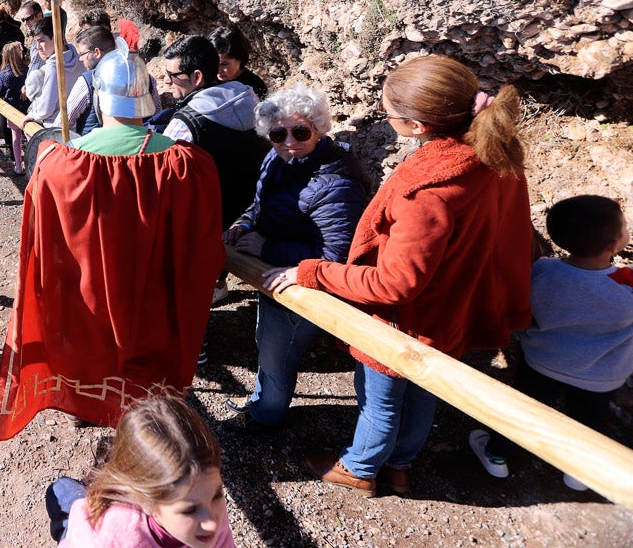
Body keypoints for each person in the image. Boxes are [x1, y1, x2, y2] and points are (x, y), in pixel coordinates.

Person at [264, 55, 533, 497]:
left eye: (388, 113)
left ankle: (360, 467)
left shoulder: (427, 192)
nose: (386, 119)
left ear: (417, 125)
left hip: (407, 317)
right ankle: (401, 465)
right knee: (425, 390)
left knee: (381, 397)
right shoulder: (494, 153)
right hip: (458, 304)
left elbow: (396, 283)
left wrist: (311, 271)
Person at [0, 44, 224, 438]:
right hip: (151, 289)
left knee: (88, 347)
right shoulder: (187, 165)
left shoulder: (57, 162)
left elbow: (41, 243)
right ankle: (145, 423)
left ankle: (85, 406)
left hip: (87, 289)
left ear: (98, 95)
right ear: (148, 99)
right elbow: (202, 247)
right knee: (146, 350)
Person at [222, 84, 370, 432]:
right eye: (277, 133)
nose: (289, 140)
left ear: (319, 127)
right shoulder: (280, 158)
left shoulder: (338, 183)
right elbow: (262, 205)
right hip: (275, 273)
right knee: (267, 343)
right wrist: (244, 224)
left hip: (302, 284)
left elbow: (337, 254)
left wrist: (266, 248)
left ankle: (265, 417)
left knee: (277, 353)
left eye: (300, 130)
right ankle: (264, 404)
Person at [469, 194, 632, 492]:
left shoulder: (544, 270)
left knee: (524, 409)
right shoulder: (627, 284)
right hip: (601, 377)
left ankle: (498, 454)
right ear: (612, 245)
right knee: (588, 421)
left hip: (542, 362)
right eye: (624, 226)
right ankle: (579, 472)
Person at [46, 396, 237, 548]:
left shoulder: (206, 507)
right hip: (87, 522)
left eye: (217, 494)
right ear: (146, 503)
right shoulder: (109, 538)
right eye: (189, 510)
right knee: (61, 492)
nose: (213, 523)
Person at [163, 36, 268, 306]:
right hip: (248, 215)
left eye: (172, 75)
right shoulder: (250, 101)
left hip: (204, 229)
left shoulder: (184, 124)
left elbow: (165, 186)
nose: (166, 82)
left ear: (197, 77)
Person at [23, 16, 85, 130]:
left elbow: (46, 108)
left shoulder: (54, 65)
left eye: (41, 41)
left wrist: (32, 114)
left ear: (56, 38)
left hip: (57, 127)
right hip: (80, 124)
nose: (38, 47)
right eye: (36, 42)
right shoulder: (78, 58)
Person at [0, 41, 30, 174]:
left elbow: (0, 92)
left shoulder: (4, 75)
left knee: (16, 137)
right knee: (29, 136)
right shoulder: (26, 70)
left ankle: (19, 166)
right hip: (26, 109)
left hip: (12, 110)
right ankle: (35, 162)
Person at [209, 26, 267, 99]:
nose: (217, 70)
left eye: (224, 64)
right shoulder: (207, 79)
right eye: (213, 63)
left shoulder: (254, 87)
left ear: (240, 58)